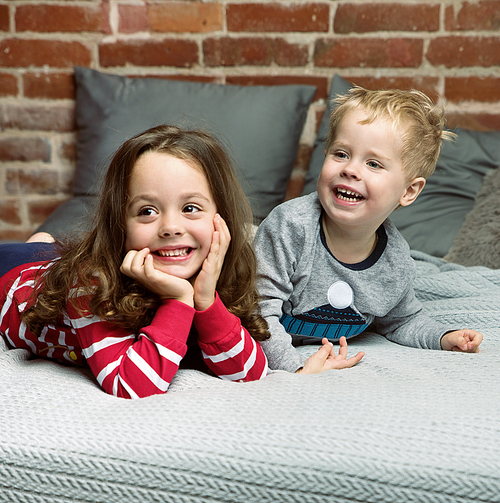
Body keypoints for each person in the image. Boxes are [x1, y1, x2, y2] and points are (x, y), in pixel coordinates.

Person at [0, 125, 269, 399]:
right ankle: (40, 247)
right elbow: (130, 385)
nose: (171, 227)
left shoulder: (216, 271)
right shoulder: (92, 284)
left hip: (55, 264)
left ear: (221, 218)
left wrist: (205, 299)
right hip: (12, 279)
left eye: (190, 208)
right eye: (147, 211)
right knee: (38, 257)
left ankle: (45, 245)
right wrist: (177, 300)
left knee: (51, 251)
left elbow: (251, 374)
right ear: (120, 226)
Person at [254, 86, 483, 374]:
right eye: (340, 154)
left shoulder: (395, 260)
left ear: (409, 191)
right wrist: (295, 370)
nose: (350, 169)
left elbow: (401, 320)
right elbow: (257, 311)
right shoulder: (290, 227)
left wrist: (442, 337)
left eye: (373, 163)